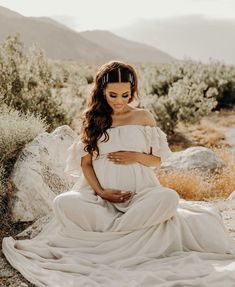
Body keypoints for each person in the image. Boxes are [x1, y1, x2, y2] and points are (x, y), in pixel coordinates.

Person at [2, 60, 235, 287]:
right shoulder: (91, 119)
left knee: (169, 198)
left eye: (126, 95)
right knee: (63, 202)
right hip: (100, 198)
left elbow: (157, 160)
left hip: (139, 195)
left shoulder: (143, 117)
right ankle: (122, 234)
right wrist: (101, 192)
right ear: (101, 90)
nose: (120, 101)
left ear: (133, 91)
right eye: (113, 95)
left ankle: (112, 235)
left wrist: (135, 157)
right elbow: (85, 164)